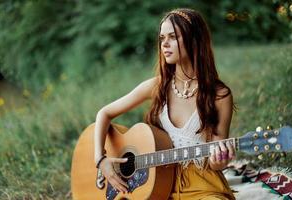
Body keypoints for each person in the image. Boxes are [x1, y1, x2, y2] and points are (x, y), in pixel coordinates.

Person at [94, 8, 236, 200]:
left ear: (194, 40)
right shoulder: (157, 86)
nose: (165, 44)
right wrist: (100, 159)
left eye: (173, 37)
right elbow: (104, 113)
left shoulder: (219, 95)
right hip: (156, 184)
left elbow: (216, 163)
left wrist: (220, 159)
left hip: (201, 185)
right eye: (162, 38)